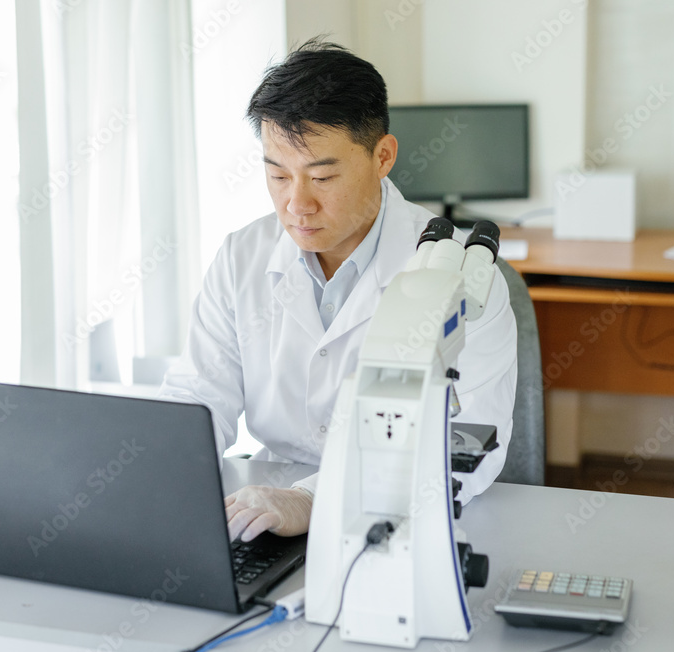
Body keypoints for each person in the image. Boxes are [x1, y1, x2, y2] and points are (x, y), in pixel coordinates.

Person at [158, 38, 517, 543]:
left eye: (322, 176)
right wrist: (159, 478)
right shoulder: (242, 256)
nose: (296, 204)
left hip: (404, 521)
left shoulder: (462, 278)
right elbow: (198, 396)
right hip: (267, 512)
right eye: (277, 174)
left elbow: (464, 445)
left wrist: (314, 498)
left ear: (382, 156)